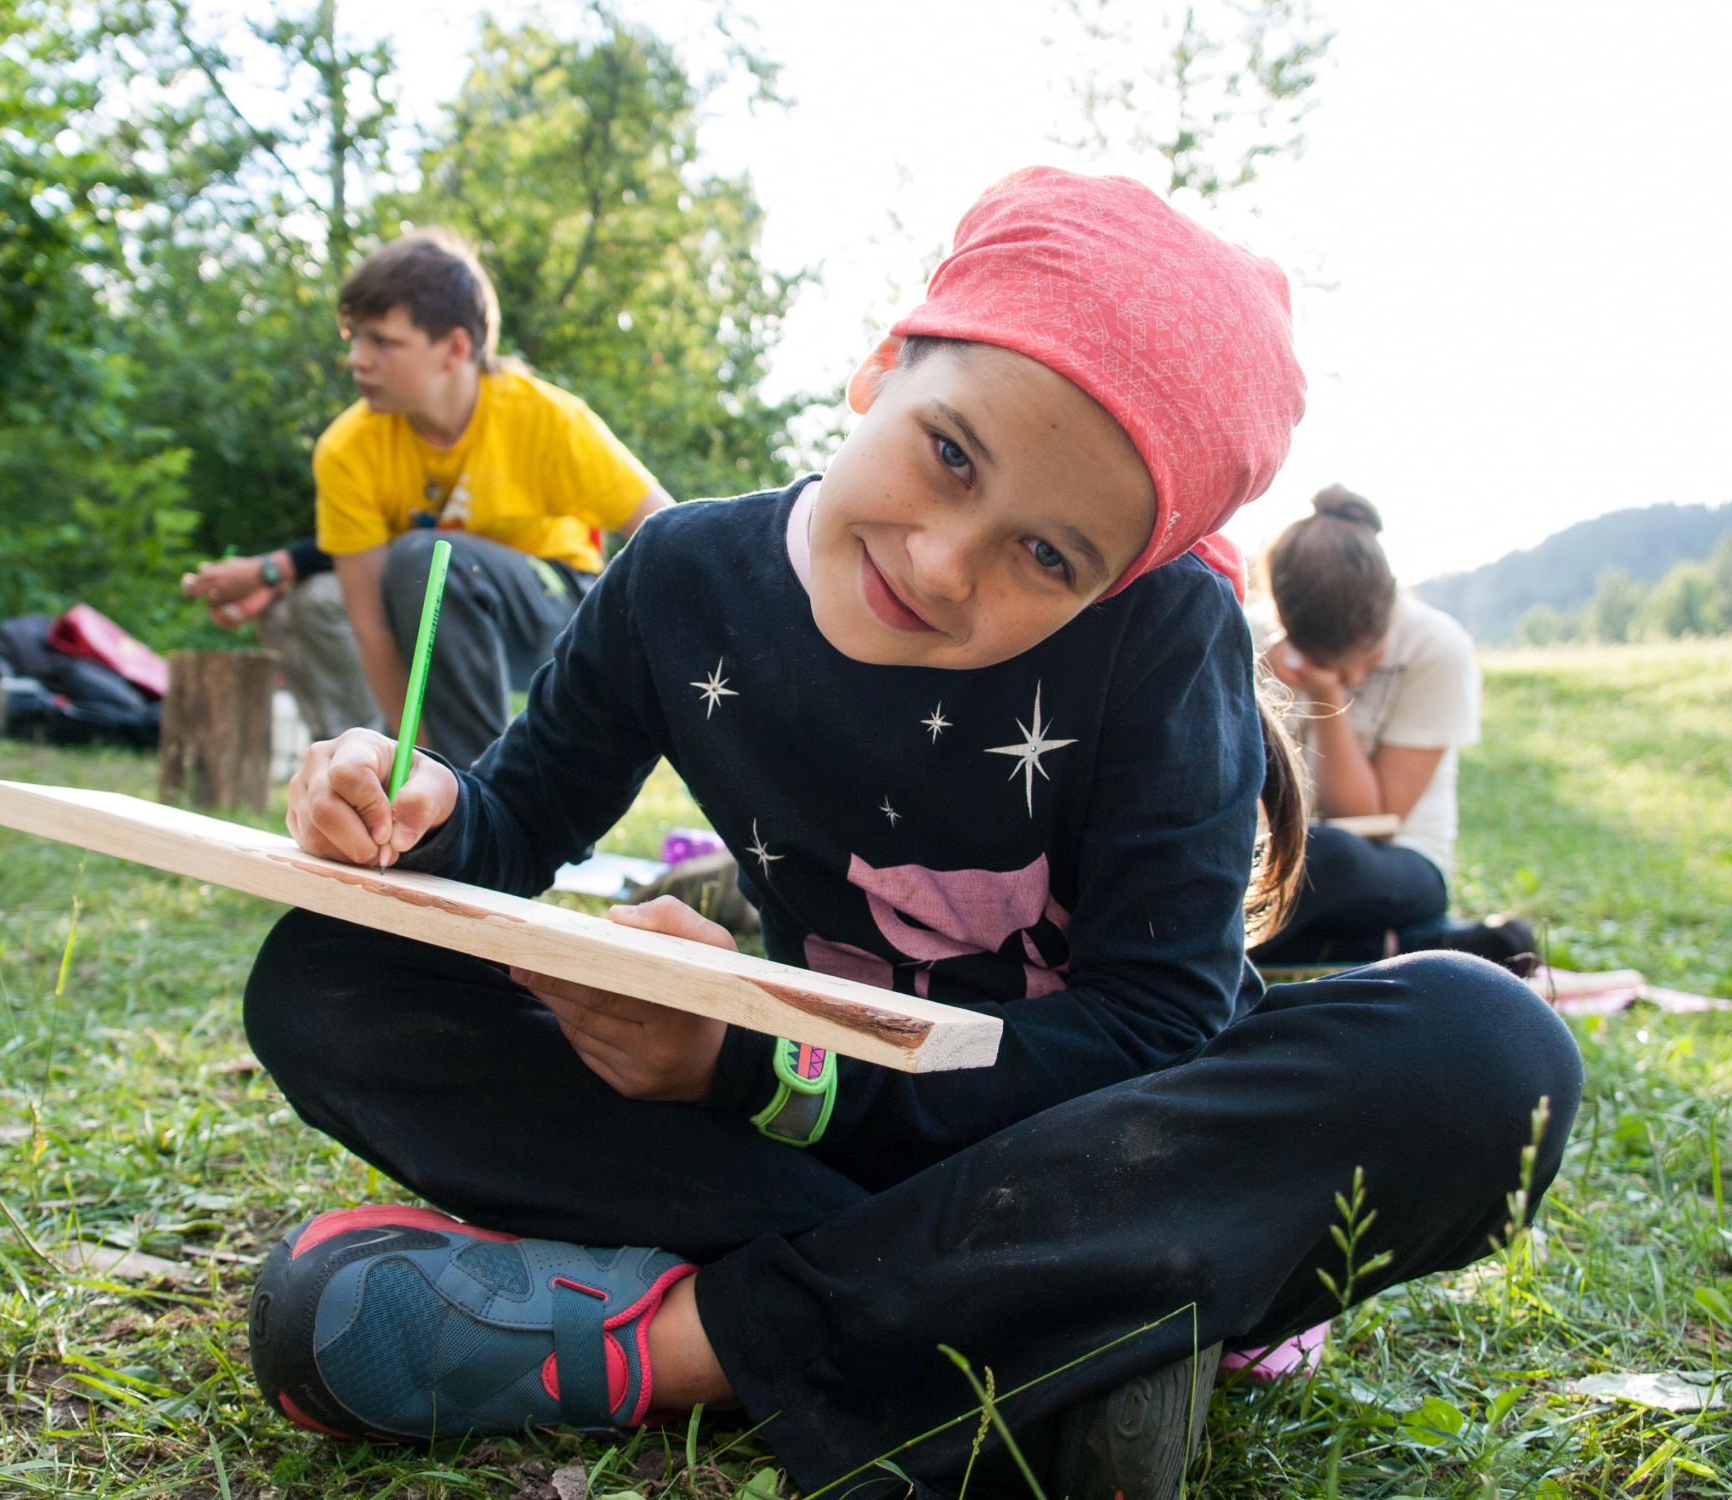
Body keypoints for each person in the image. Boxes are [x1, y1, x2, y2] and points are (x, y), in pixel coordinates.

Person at [238, 169, 1581, 1499]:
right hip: (844, 1156)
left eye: (1049, 558)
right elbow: (515, 821)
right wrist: (405, 809)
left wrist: (763, 1066)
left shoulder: (1161, 640)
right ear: (882, 364)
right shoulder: (684, 580)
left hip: (1079, 1138)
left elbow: (1158, 1031)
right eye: (951, 453)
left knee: (1490, 1053)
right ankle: (1082, 1310)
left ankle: (686, 1345)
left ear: (1125, 574)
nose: (947, 564)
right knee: (328, 975)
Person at [182, 229, 672, 759]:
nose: (357, 359)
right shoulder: (346, 449)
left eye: (382, 341)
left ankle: (496, 796)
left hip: (557, 607)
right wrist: (414, 758)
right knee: (322, 597)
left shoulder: (546, 418)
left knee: (428, 558)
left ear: (454, 349)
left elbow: (671, 537)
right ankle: (420, 777)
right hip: (439, 604)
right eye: (353, 337)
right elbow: (369, 625)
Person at [1249, 487, 1535, 970]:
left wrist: (1326, 693)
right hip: (1277, 859)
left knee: (1322, 857)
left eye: (1363, 660)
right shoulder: (1249, 635)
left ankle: (1212, 945)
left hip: (1395, 864)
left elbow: (1368, 815)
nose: (1356, 679)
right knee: (1251, 862)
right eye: (1330, 663)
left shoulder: (1436, 647)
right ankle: (1398, 948)